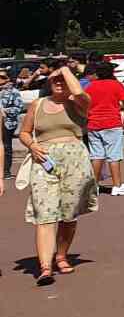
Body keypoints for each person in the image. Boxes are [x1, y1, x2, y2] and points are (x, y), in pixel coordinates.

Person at [17, 63, 99, 286]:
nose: (60, 83)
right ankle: (45, 268)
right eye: (55, 80)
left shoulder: (78, 104)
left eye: (64, 80)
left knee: (68, 214)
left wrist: (63, 70)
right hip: (44, 160)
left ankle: (61, 255)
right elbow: (24, 132)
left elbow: (80, 92)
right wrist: (32, 146)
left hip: (75, 160)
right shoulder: (38, 104)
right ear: (49, 84)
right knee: (45, 213)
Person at [83, 58, 124, 196]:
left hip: (93, 123)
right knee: (114, 156)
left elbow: (84, 104)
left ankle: (94, 186)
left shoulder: (90, 86)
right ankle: (117, 185)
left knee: (96, 155)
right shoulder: (116, 85)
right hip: (112, 122)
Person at [1, 68, 25, 191]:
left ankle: (6, 171)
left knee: (6, 146)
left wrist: (6, 111)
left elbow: (19, 107)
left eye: (2, 77)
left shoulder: (14, 92)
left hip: (7, 123)